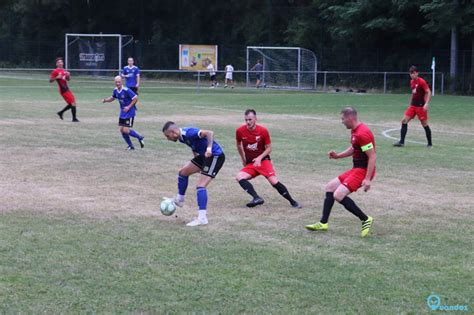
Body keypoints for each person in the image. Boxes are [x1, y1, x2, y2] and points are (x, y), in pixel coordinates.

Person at [305, 107, 375, 237]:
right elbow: (354, 148)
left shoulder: (362, 133)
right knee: (330, 187)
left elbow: (372, 156)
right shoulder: (355, 131)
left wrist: (368, 179)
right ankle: (323, 223)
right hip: (357, 168)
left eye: (343, 119)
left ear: (350, 118)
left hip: (363, 170)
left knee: (338, 195)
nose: (341, 122)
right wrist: (338, 156)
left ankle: (365, 219)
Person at [162, 121, 225, 226]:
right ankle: (180, 200)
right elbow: (193, 145)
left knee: (200, 186)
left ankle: (202, 218)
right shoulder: (181, 137)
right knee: (183, 173)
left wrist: (209, 148)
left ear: (173, 132)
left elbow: (209, 133)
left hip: (215, 156)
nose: (168, 139)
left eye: (168, 136)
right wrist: (197, 160)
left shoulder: (189, 132)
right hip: (203, 157)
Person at [235, 109, 301, 208]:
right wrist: (243, 159)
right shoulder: (240, 131)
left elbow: (269, 148)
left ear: (255, 119)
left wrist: (259, 158)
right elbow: (239, 145)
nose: (248, 122)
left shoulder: (263, 131)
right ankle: (257, 198)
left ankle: (293, 202)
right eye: (246, 120)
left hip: (263, 161)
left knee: (273, 181)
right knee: (239, 176)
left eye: (250, 119)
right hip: (251, 163)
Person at [393, 65, 432, 147]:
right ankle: (401, 142)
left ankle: (430, 143)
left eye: (413, 73)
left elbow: (428, 92)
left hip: (421, 106)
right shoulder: (411, 82)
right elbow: (414, 93)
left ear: (417, 73)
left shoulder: (421, 81)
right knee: (404, 121)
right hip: (413, 106)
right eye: (410, 74)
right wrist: (411, 102)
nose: (412, 75)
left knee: (424, 124)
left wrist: (426, 103)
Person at [102, 76, 144, 151]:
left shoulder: (126, 90)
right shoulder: (115, 90)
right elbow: (112, 98)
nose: (117, 83)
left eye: (119, 82)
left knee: (125, 130)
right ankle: (131, 146)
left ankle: (140, 137)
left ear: (122, 82)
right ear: (114, 82)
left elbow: (135, 98)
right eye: (116, 82)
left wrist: (128, 107)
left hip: (130, 111)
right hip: (123, 112)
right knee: (122, 130)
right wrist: (105, 100)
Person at [49, 57, 79, 122]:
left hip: (66, 88)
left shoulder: (64, 70)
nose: (60, 63)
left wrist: (68, 75)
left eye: (61, 62)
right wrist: (56, 77)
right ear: (56, 64)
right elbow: (50, 80)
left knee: (72, 103)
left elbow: (68, 79)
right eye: (59, 62)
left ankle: (61, 112)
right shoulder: (55, 71)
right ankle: (74, 119)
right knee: (73, 103)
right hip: (63, 89)